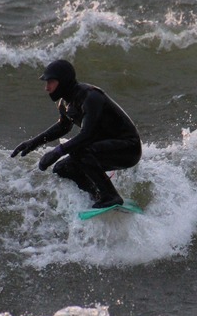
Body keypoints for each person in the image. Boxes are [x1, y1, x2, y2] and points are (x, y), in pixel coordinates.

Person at [11, 59, 141, 208]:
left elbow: (87, 135)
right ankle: (97, 195)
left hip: (128, 149)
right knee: (63, 168)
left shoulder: (91, 97)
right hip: (104, 148)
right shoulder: (65, 103)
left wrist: (57, 151)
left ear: (63, 81)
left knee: (80, 151)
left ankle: (111, 196)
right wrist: (33, 143)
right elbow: (63, 127)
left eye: (51, 82)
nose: (46, 88)